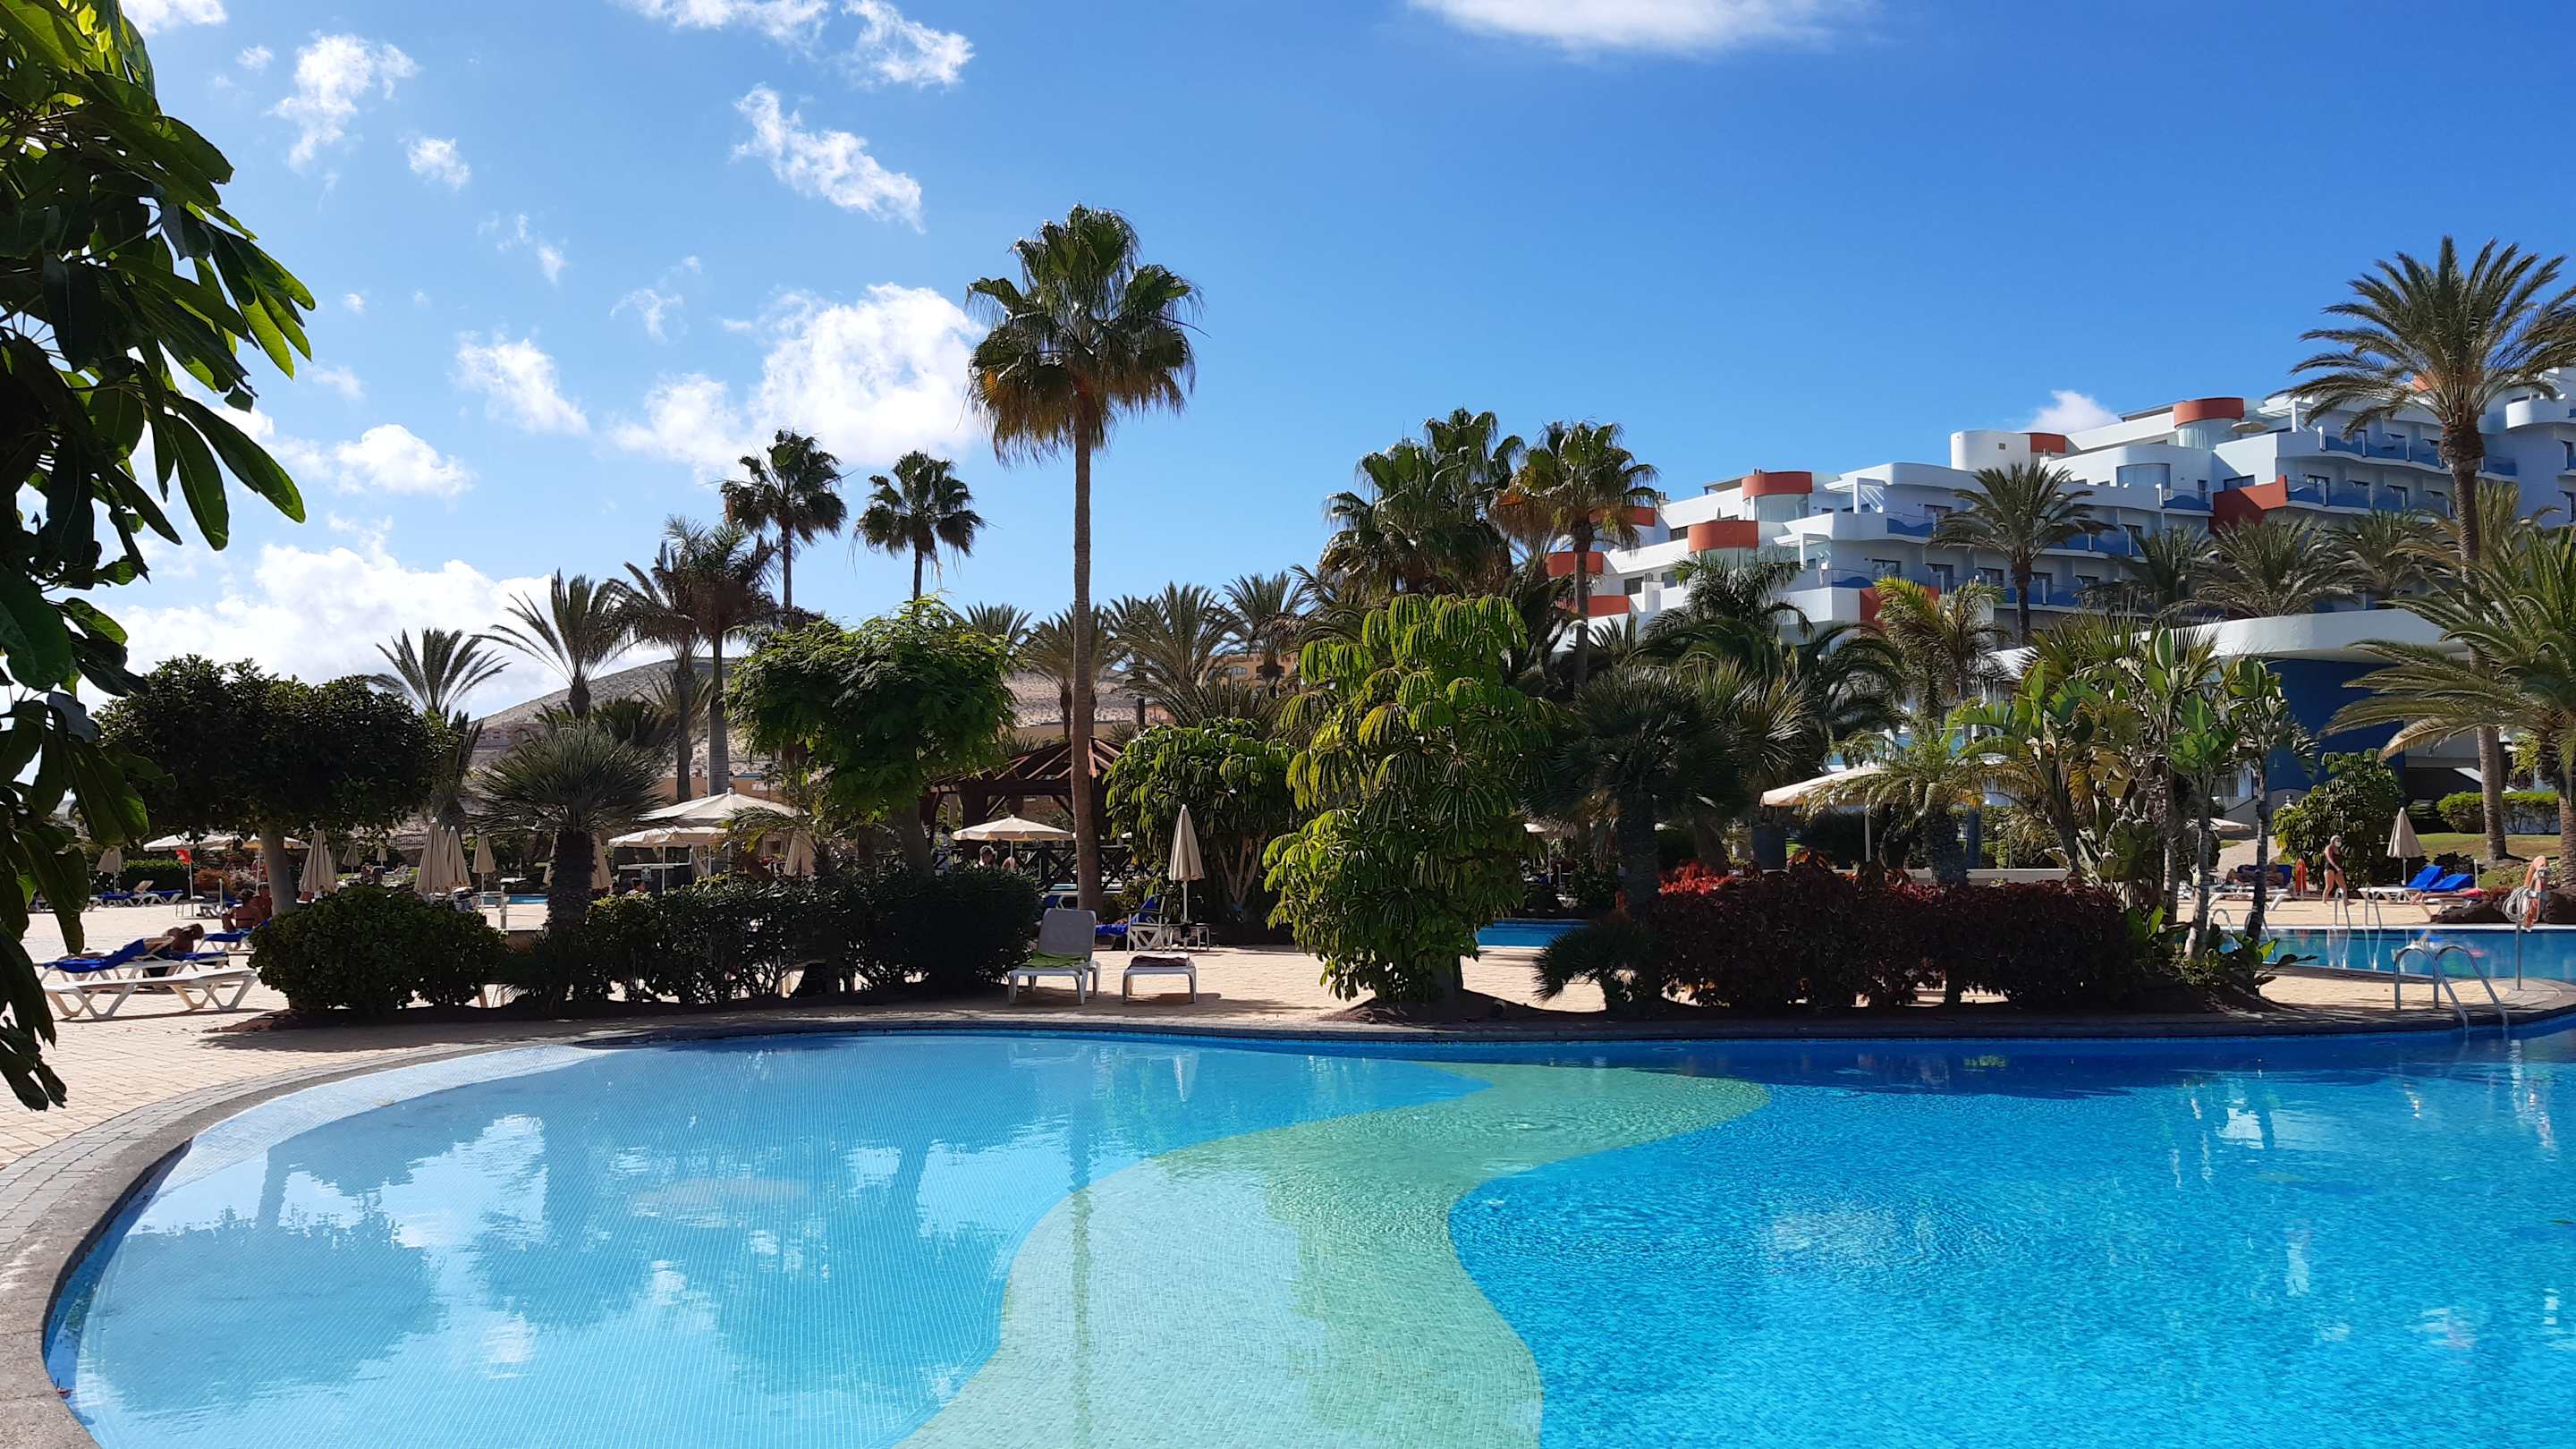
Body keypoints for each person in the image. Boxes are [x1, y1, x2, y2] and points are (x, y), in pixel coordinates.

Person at [2322, 834, 2347, 901]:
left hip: (2337, 869)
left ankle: (2346, 900)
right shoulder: (2329, 848)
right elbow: (2329, 858)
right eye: (2337, 840)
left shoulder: (2339, 850)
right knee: (2329, 886)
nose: (2339, 842)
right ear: (2333, 841)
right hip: (2330, 868)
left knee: (2343, 885)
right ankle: (2324, 901)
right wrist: (2336, 867)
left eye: (2339, 840)